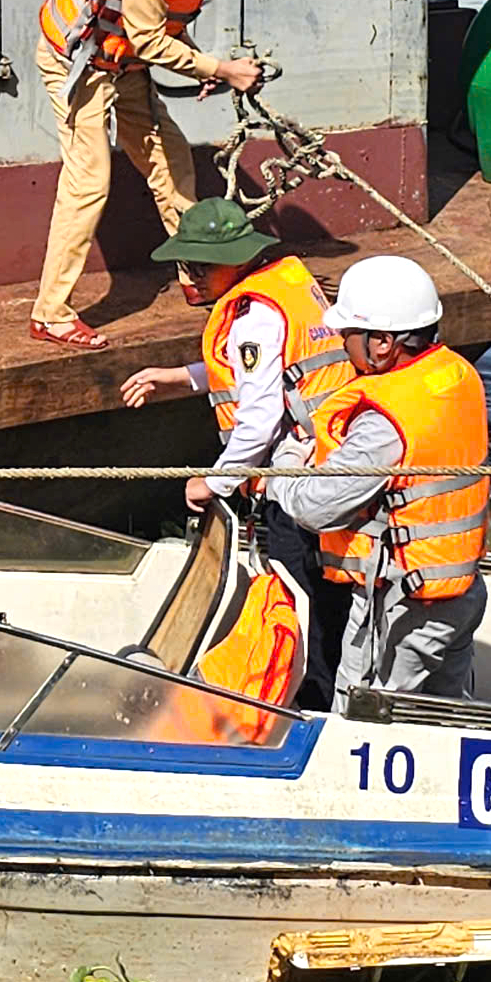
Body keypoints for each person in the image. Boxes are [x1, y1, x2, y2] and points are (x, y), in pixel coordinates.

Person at [118, 196, 354, 708]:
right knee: (328, 590)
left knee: (302, 597)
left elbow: (260, 414)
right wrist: (179, 377)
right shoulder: (285, 287)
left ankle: (310, 708)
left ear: (237, 259)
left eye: (200, 267)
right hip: (332, 466)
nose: (189, 278)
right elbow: (263, 372)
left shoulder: (253, 316)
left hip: (296, 480)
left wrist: (216, 481)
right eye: (185, 265)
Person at [28, 0, 270, 351]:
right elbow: (147, 38)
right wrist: (220, 69)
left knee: (170, 158)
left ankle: (196, 271)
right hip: (81, 67)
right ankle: (50, 313)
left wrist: (198, 60)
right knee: (88, 182)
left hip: (123, 64)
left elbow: (157, 25)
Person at [266, 255, 489, 701]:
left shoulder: (385, 423)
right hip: (461, 591)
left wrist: (284, 461)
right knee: (445, 713)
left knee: (364, 716)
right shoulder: (455, 374)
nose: (343, 344)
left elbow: (315, 508)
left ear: (383, 343)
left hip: (404, 606)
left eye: (348, 335)